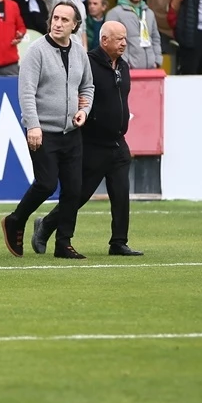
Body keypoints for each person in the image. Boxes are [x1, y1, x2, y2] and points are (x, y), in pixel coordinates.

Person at [32, 19, 142, 256]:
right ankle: (46, 225)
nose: (124, 43)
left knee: (121, 194)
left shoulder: (123, 66)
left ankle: (118, 242)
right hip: (93, 142)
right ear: (104, 40)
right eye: (119, 38)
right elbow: (79, 91)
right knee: (79, 195)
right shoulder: (88, 62)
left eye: (125, 38)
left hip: (118, 142)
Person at [2, 3, 93, 260]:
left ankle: (63, 243)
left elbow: (88, 87)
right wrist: (33, 125)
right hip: (43, 130)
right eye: (55, 18)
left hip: (71, 132)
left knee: (74, 190)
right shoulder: (36, 51)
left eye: (65, 19)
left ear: (75, 25)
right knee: (46, 183)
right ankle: (15, 220)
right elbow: (26, 91)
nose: (58, 23)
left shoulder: (79, 52)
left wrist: (83, 112)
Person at [105, 0, 161, 69]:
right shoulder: (115, 13)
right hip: (127, 69)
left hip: (151, 68)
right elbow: (110, 42)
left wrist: (157, 61)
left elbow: (155, 38)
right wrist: (124, 64)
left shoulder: (149, 13)